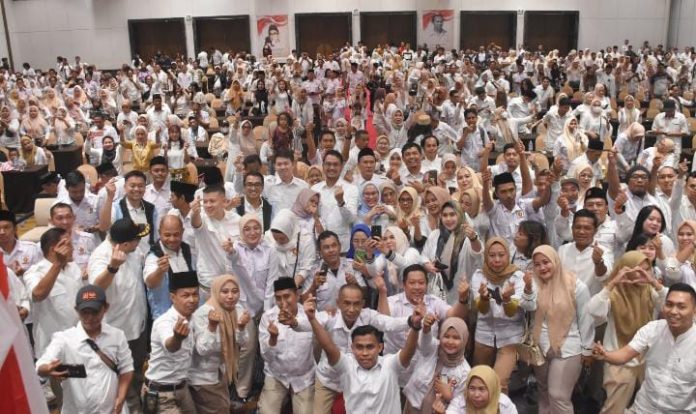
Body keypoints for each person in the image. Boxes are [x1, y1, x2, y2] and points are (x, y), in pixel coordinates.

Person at [304, 290, 423, 414]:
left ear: (380, 347)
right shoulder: (347, 364)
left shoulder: (389, 364)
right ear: (353, 348)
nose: (365, 353)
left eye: (370, 347)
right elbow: (328, 347)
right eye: (360, 347)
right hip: (328, 380)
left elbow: (407, 350)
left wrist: (414, 325)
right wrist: (311, 319)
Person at [592, 283, 696, 413]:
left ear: (694, 310)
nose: (673, 311)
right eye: (669, 304)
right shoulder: (653, 329)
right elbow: (624, 356)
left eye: (681, 307)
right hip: (644, 408)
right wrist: (606, 355)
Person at [588, 251, 667, 414]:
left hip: (646, 358)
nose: (642, 274)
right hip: (619, 361)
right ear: (625, 270)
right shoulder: (614, 293)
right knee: (614, 408)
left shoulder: (649, 291)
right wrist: (612, 284)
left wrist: (653, 282)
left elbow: (669, 305)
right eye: (637, 269)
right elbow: (594, 310)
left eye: (647, 269)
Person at [36, 285, 134, 414]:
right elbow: (41, 364)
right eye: (84, 312)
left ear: (105, 308)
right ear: (77, 310)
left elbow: (126, 368)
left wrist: (121, 398)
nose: (90, 317)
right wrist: (47, 369)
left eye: (95, 312)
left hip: (113, 410)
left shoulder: (117, 336)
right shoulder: (64, 339)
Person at [88, 218, 149, 411]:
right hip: (117, 331)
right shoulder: (101, 256)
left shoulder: (133, 251)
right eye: (136, 240)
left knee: (137, 371)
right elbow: (95, 289)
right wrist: (112, 267)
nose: (139, 243)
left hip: (138, 325)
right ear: (122, 244)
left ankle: (136, 405)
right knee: (122, 378)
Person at [530, 245, 594, 414]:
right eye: (537, 264)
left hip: (568, 347)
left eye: (546, 262)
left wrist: (587, 350)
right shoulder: (533, 285)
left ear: (556, 261)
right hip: (539, 347)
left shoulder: (575, 286)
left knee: (558, 396)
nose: (542, 268)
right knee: (543, 392)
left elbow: (586, 319)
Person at [471, 237, 535, 393]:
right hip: (483, 335)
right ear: (486, 256)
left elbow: (512, 311)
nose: (497, 260)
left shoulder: (517, 277)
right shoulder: (479, 275)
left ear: (508, 255)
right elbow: (482, 309)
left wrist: (506, 300)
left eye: (501, 255)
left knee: (500, 384)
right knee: (479, 382)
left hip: (510, 337)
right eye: (492, 255)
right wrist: (484, 298)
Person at [190, 274, 250, 413]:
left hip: (220, 374)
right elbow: (202, 350)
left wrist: (240, 327)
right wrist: (212, 327)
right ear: (216, 291)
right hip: (203, 378)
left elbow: (243, 343)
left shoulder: (236, 310)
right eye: (225, 292)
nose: (230, 296)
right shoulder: (203, 313)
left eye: (235, 291)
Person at [142, 271, 200, 414]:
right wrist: (177, 338)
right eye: (185, 295)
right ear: (173, 297)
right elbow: (171, 345)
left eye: (195, 294)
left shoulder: (193, 319)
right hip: (161, 393)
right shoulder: (165, 322)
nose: (192, 300)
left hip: (182, 389)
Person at [257, 277, 315, 414]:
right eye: (278, 298)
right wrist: (273, 339)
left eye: (287, 296)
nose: (283, 303)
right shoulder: (268, 318)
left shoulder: (310, 316)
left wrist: (294, 322)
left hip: (304, 378)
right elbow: (265, 357)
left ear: (297, 295)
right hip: (277, 376)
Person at [24, 227, 82, 358]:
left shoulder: (73, 267)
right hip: (51, 347)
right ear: (53, 249)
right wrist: (57, 264)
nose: (73, 249)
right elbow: (38, 295)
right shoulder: (35, 272)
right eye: (68, 245)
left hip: (77, 342)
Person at [404, 317, 471, 413]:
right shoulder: (434, 348)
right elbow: (425, 343)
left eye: (456, 338)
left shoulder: (465, 372)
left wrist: (449, 397)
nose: (450, 342)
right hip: (414, 403)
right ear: (440, 336)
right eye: (446, 336)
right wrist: (426, 329)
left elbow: (460, 406)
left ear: (464, 340)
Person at [191, 184, 240, 296]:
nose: (208, 205)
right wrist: (195, 212)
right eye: (205, 201)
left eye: (212, 201)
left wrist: (232, 249)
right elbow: (195, 223)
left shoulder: (237, 220)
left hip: (232, 283)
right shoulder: (201, 218)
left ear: (224, 201)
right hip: (209, 285)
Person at [144, 215, 196, 319]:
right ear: (159, 233)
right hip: (165, 319)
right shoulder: (153, 256)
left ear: (182, 232)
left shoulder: (187, 250)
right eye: (167, 235)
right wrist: (160, 270)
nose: (172, 239)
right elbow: (150, 283)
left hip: (189, 316)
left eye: (176, 234)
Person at [434, 365, 518, 413]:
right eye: (472, 388)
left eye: (482, 389)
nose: (476, 395)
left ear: (492, 389)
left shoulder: (503, 404)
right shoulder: (460, 402)